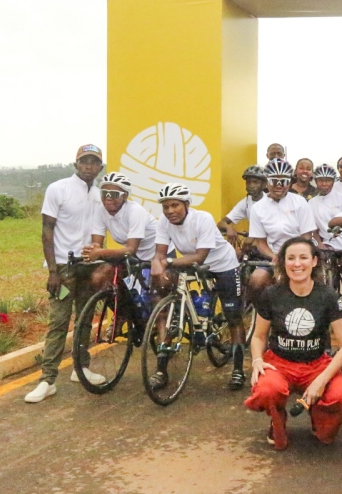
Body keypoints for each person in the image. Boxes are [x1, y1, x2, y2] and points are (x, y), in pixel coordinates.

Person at [244, 237, 342, 451]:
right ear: (283, 262)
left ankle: (319, 416)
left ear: (314, 261)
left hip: (317, 364)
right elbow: (259, 336)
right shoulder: (271, 294)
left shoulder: (327, 295)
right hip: (280, 363)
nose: (297, 264)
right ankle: (277, 420)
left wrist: (322, 381)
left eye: (303, 257)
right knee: (267, 390)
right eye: (291, 258)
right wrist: (257, 360)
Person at [25, 144, 105, 404]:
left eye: (94, 162)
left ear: (100, 167)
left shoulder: (100, 194)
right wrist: (52, 271)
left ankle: (81, 368)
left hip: (88, 265)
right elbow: (47, 230)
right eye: (84, 161)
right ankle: (47, 380)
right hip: (63, 268)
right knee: (59, 322)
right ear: (76, 164)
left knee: (84, 319)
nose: (88, 166)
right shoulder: (58, 189)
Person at [149, 183, 247, 389]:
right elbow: (160, 253)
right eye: (166, 207)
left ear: (186, 204)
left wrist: (166, 262)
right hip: (189, 262)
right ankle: (161, 369)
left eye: (175, 205)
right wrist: (157, 263)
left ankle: (238, 369)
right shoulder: (164, 223)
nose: (170, 211)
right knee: (164, 297)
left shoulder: (202, 219)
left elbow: (201, 257)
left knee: (233, 315)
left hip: (222, 265)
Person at [244, 159, 317, 299]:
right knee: (256, 280)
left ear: (289, 182)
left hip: (300, 255)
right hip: (274, 256)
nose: (279, 186)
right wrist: (274, 257)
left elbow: (306, 237)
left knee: (312, 285)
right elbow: (261, 243)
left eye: (283, 181)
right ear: (267, 182)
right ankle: (262, 315)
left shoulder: (300, 202)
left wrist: (293, 256)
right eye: (274, 181)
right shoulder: (257, 208)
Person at [82, 172, 158, 298]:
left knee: (154, 298)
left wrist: (99, 253)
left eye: (114, 194)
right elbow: (97, 244)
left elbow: (130, 250)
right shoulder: (100, 210)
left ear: (125, 196)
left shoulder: (135, 211)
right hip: (134, 257)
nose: (108, 198)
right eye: (104, 193)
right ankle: (124, 315)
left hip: (156, 254)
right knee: (98, 278)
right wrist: (92, 250)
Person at [307, 164, 342, 252]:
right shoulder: (311, 202)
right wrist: (319, 244)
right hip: (326, 245)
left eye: (328, 181)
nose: (324, 184)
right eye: (320, 180)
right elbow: (312, 228)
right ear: (316, 181)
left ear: (333, 181)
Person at [218, 165, 266, 244]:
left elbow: (262, 230)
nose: (251, 186)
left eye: (255, 182)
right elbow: (221, 223)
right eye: (248, 182)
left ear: (264, 184)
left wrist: (247, 242)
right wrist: (228, 228)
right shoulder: (246, 202)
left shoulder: (270, 201)